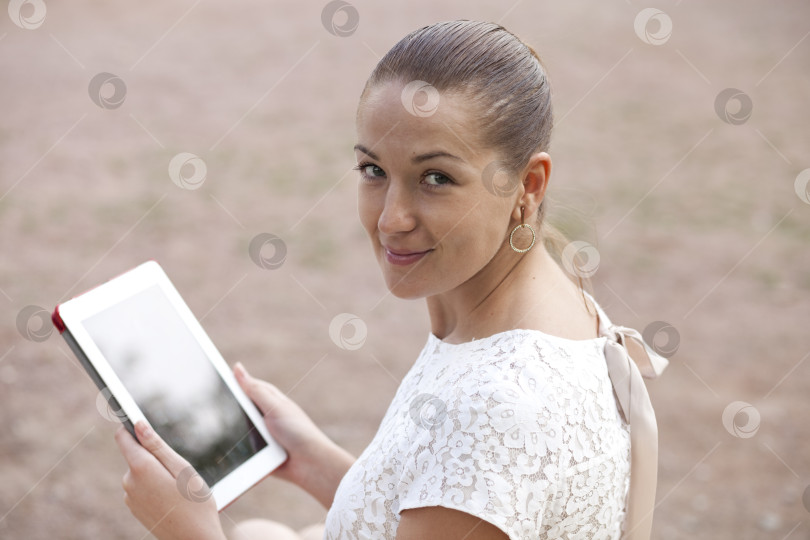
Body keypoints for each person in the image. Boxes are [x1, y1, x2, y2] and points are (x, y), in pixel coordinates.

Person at [113, 20, 667, 540]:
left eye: (436, 177)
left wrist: (192, 531)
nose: (390, 219)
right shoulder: (545, 304)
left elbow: (480, 459)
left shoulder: (498, 406)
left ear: (529, 183)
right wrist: (315, 463)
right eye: (373, 171)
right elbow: (454, 501)